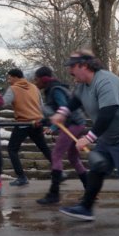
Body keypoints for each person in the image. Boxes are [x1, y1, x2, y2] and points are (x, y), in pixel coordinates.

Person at [51, 49, 119, 227]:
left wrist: (89, 138)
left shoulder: (105, 81)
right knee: (98, 168)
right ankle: (86, 208)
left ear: (84, 66)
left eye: (73, 67)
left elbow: (108, 112)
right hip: (110, 134)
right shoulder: (82, 85)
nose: (70, 71)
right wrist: (62, 113)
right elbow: (75, 100)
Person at [33, 66, 89, 205]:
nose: (35, 82)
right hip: (76, 123)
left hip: (73, 124)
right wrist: (44, 121)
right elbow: (57, 111)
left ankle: (54, 194)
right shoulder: (53, 89)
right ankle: (90, 190)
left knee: (56, 155)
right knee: (73, 157)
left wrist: (52, 125)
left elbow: (64, 109)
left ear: (43, 79)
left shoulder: (55, 89)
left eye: (36, 79)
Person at [3, 68, 51, 187]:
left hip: (23, 123)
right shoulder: (34, 87)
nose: (9, 80)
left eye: (9, 78)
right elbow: (41, 105)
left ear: (15, 77)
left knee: (12, 149)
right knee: (44, 147)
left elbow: (3, 102)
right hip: (37, 122)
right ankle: (59, 171)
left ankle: (21, 177)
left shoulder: (13, 88)